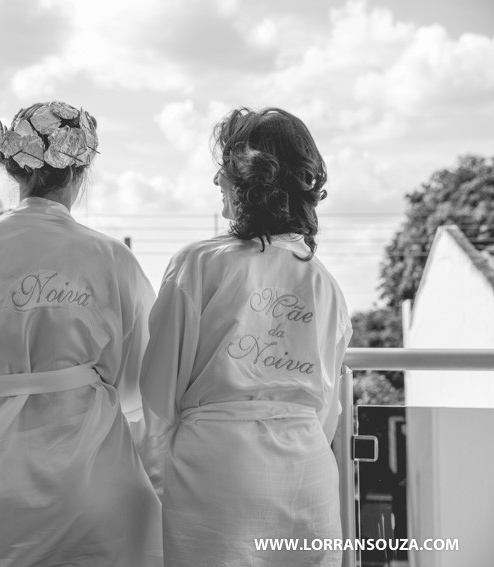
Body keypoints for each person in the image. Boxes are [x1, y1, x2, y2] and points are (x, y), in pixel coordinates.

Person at [0, 101, 163, 566]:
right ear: (81, 172)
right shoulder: (110, 256)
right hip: (91, 462)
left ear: (13, 168)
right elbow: (142, 378)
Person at [140, 107, 352, 566]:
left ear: (248, 178)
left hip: (218, 469)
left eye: (224, 169)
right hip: (307, 472)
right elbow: (328, 407)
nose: (217, 181)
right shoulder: (325, 284)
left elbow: (158, 391)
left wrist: (162, 470)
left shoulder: (197, 264)